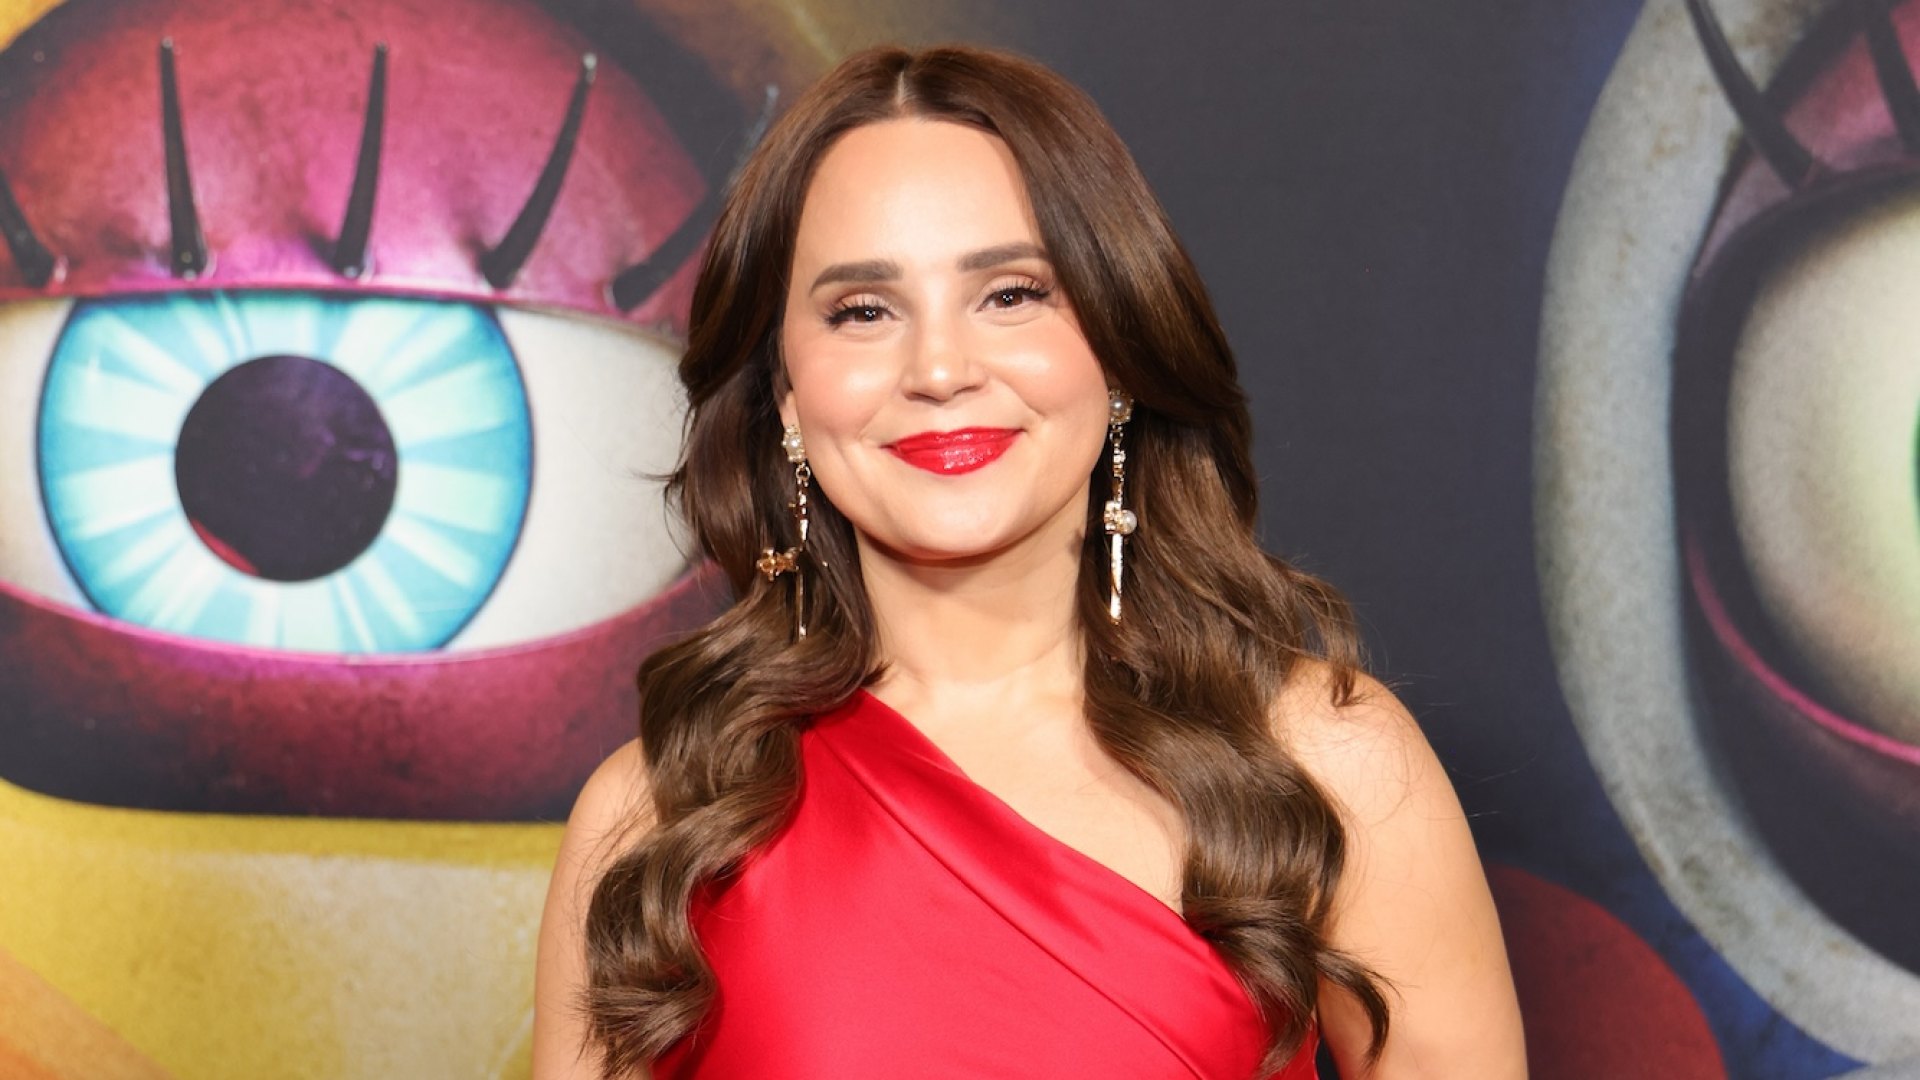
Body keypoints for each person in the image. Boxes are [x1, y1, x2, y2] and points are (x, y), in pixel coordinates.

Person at [533, 43, 1525, 1080]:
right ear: (785, 394)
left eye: (1011, 294)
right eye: (863, 311)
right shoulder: (657, 821)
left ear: (1120, 345)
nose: (940, 369)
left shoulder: (1326, 761)